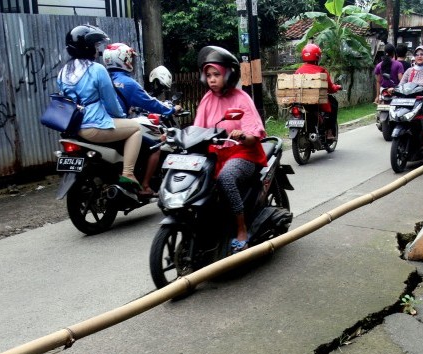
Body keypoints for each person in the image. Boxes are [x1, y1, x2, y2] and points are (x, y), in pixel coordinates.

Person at [193, 46, 267, 253]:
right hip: (216, 154)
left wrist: (242, 135)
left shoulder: (241, 98)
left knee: (226, 178)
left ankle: (242, 229)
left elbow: (253, 134)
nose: (212, 79)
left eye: (216, 74)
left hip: (243, 152)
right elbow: (197, 128)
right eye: (208, 75)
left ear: (229, 74)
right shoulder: (207, 99)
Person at [57, 25, 143, 194]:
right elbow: (110, 102)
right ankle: (128, 173)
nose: (98, 49)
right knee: (136, 129)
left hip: (73, 127)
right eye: (96, 46)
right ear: (87, 47)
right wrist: (123, 116)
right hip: (94, 126)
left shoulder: (64, 71)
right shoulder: (97, 70)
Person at [103, 43, 180, 198]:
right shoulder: (128, 83)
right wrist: (171, 109)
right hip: (113, 126)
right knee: (154, 146)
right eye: (129, 58)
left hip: (96, 125)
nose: (131, 61)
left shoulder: (102, 77)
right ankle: (144, 185)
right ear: (122, 59)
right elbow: (150, 103)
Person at [295, 43, 342, 141]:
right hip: (317, 101)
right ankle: (329, 132)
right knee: (333, 105)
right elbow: (330, 88)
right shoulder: (321, 71)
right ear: (318, 56)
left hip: (300, 100)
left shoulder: (298, 71)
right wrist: (337, 87)